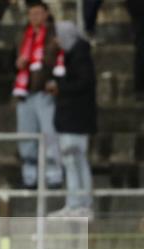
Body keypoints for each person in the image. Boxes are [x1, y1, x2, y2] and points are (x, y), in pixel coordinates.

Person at [47, 21, 96, 218]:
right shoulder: (68, 55)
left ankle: (82, 204)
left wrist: (60, 89)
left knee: (77, 160)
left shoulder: (80, 56)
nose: (56, 40)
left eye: (58, 36)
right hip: (69, 118)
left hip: (77, 119)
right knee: (71, 162)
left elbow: (83, 84)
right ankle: (74, 203)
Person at [13, 0, 63, 189]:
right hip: (24, 92)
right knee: (26, 137)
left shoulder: (54, 34)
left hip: (44, 92)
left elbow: (58, 60)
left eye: (38, 13)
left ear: (46, 14)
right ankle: (29, 176)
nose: (34, 17)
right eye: (31, 13)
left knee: (49, 134)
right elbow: (14, 61)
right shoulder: (23, 36)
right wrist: (18, 63)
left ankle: (54, 175)